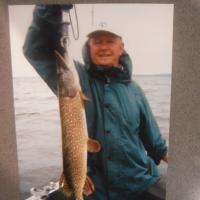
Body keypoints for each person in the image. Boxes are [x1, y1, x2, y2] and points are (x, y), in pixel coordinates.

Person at [23, 5, 168, 200]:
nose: (104, 46)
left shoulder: (135, 91)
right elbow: (37, 49)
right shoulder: (78, 78)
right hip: (94, 190)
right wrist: (49, 7)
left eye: (110, 41)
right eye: (97, 41)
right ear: (89, 46)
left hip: (137, 184)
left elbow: (156, 143)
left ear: (121, 46)